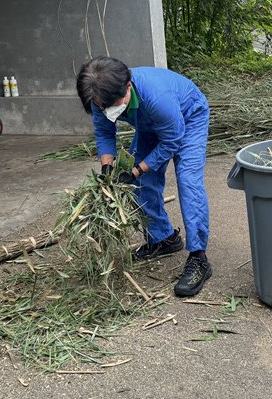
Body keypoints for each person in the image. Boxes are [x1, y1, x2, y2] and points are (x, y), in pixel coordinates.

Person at [76, 56, 213, 297]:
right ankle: (164, 239)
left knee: (188, 181)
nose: (106, 110)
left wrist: (137, 168)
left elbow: (172, 141)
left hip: (188, 117)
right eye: (101, 107)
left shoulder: (157, 98)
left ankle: (199, 258)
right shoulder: (101, 99)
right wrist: (108, 166)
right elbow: (104, 132)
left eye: (111, 105)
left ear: (128, 86)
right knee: (141, 184)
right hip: (149, 124)